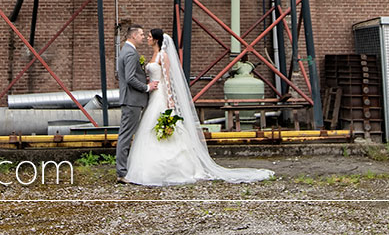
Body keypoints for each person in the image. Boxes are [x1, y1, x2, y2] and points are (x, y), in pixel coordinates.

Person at [123, 28, 274, 186]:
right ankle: (148, 167)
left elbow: (167, 79)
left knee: (163, 127)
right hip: (152, 94)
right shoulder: (152, 56)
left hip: (160, 95)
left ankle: (173, 168)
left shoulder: (163, 55)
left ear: (155, 39)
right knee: (149, 128)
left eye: (148, 36)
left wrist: (170, 99)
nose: (146, 38)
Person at [116, 24, 158, 182]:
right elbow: (130, 78)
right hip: (132, 100)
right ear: (133, 36)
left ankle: (125, 169)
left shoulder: (128, 51)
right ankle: (121, 172)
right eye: (141, 34)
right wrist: (147, 87)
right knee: (126, 135)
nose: (143, 37)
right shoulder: (130, 53)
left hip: (132, 100)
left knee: (127, 135)